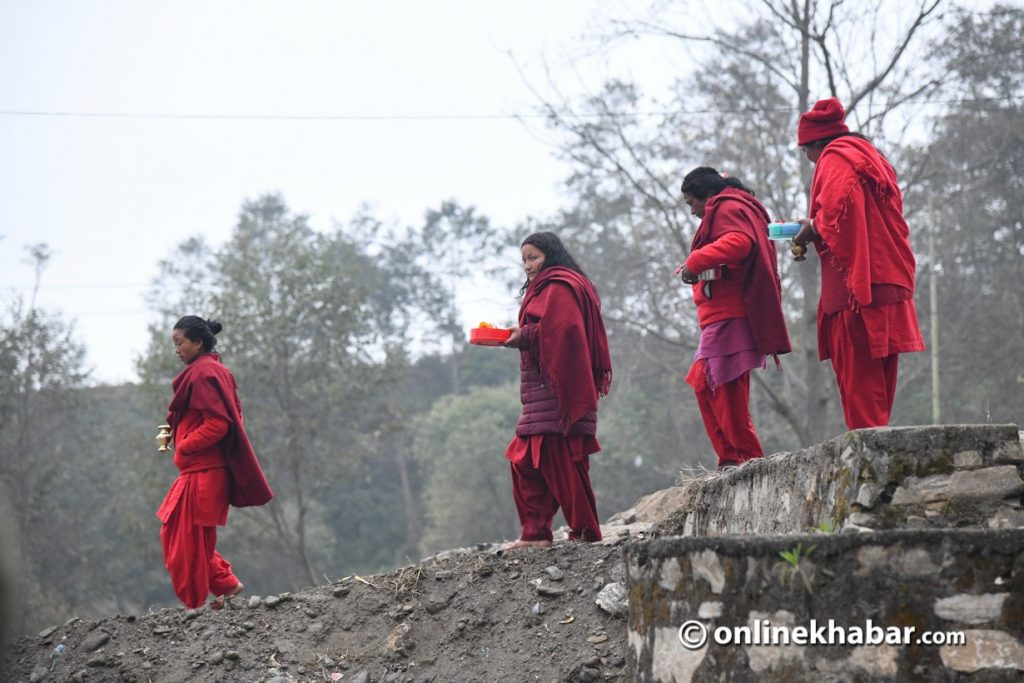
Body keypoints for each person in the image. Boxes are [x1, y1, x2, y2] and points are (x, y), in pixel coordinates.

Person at [792, 98, 925, 429]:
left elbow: (839, 214)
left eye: (806, 150)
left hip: (856, 286)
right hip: (890, 277)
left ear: (817, 143)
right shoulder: (871, 157)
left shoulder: (835, 159)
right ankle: (882, 450)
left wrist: (813, 228)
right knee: (880, 379)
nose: (808, 159)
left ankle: (870, 461)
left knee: (859, 384)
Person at [501, 232, 612, 549]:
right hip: (541, 396)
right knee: (523, 461)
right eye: (524, 259)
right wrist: (522, 335)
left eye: (533, 257)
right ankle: (535, 533)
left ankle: (586, 533)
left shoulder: (560, 286)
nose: (527, 265)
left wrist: (524, 336)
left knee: (565, 465)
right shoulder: (546, 287)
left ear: (550, 254)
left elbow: (564, 332)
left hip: (561, 393)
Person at [677, 168, 792, 470]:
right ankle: (730, 459)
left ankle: (749, 460)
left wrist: (695, 261)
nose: (692, 212)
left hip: (732, 313)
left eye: (692, 203)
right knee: (705, 385)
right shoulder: (730, 205)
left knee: (726, 391)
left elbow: (740, 242)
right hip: (719, 316)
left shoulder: (727, 207)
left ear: (707, 195)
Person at [157, 316, 273, 609]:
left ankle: (196, 607)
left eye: (180, 342)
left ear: (198, 342)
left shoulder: (206, 372)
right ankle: (225, 585)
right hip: (195, 471)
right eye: (174, 343)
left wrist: (183, 447)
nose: (176, 349)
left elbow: (218, 424)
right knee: (176, 535)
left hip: (205, 472)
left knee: (189, 544)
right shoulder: (204, 371)